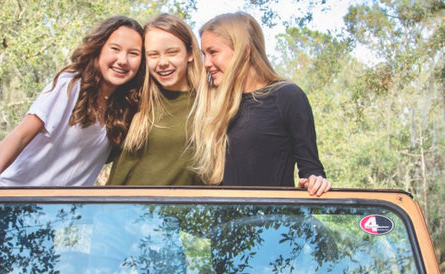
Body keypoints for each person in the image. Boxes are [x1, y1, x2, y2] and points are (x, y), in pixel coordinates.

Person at [0, 16, 145, 205]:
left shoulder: (127, 107)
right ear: (99, 48)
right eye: (115, 49)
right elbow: (21, 135)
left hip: (53, 214)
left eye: (133, 53)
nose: (122, 60)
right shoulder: (70, 86)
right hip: (9, 201)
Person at [191, 12, 332, 196]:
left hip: (273, 221)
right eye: (204, 54)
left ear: (244, 51)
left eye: (213, 52)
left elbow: (312, 170)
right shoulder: (212, 103)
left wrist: (316, 182)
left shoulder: (287, 96)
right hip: (224, 221)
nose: (206, 64)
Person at [106, 14, 203, 185]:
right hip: (115, 206)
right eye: (153, 54)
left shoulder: (209, 105)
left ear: (189, 53)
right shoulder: (134, 98)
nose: (163, 62)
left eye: (172, 52)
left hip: (172, 210)